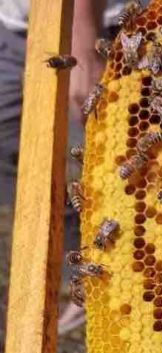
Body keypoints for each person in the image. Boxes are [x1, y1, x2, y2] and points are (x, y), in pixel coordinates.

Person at [0, 0, 115, 203]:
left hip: (104, 28)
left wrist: (82, 40)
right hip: (15, 26)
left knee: (104, 168)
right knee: (21, 170)